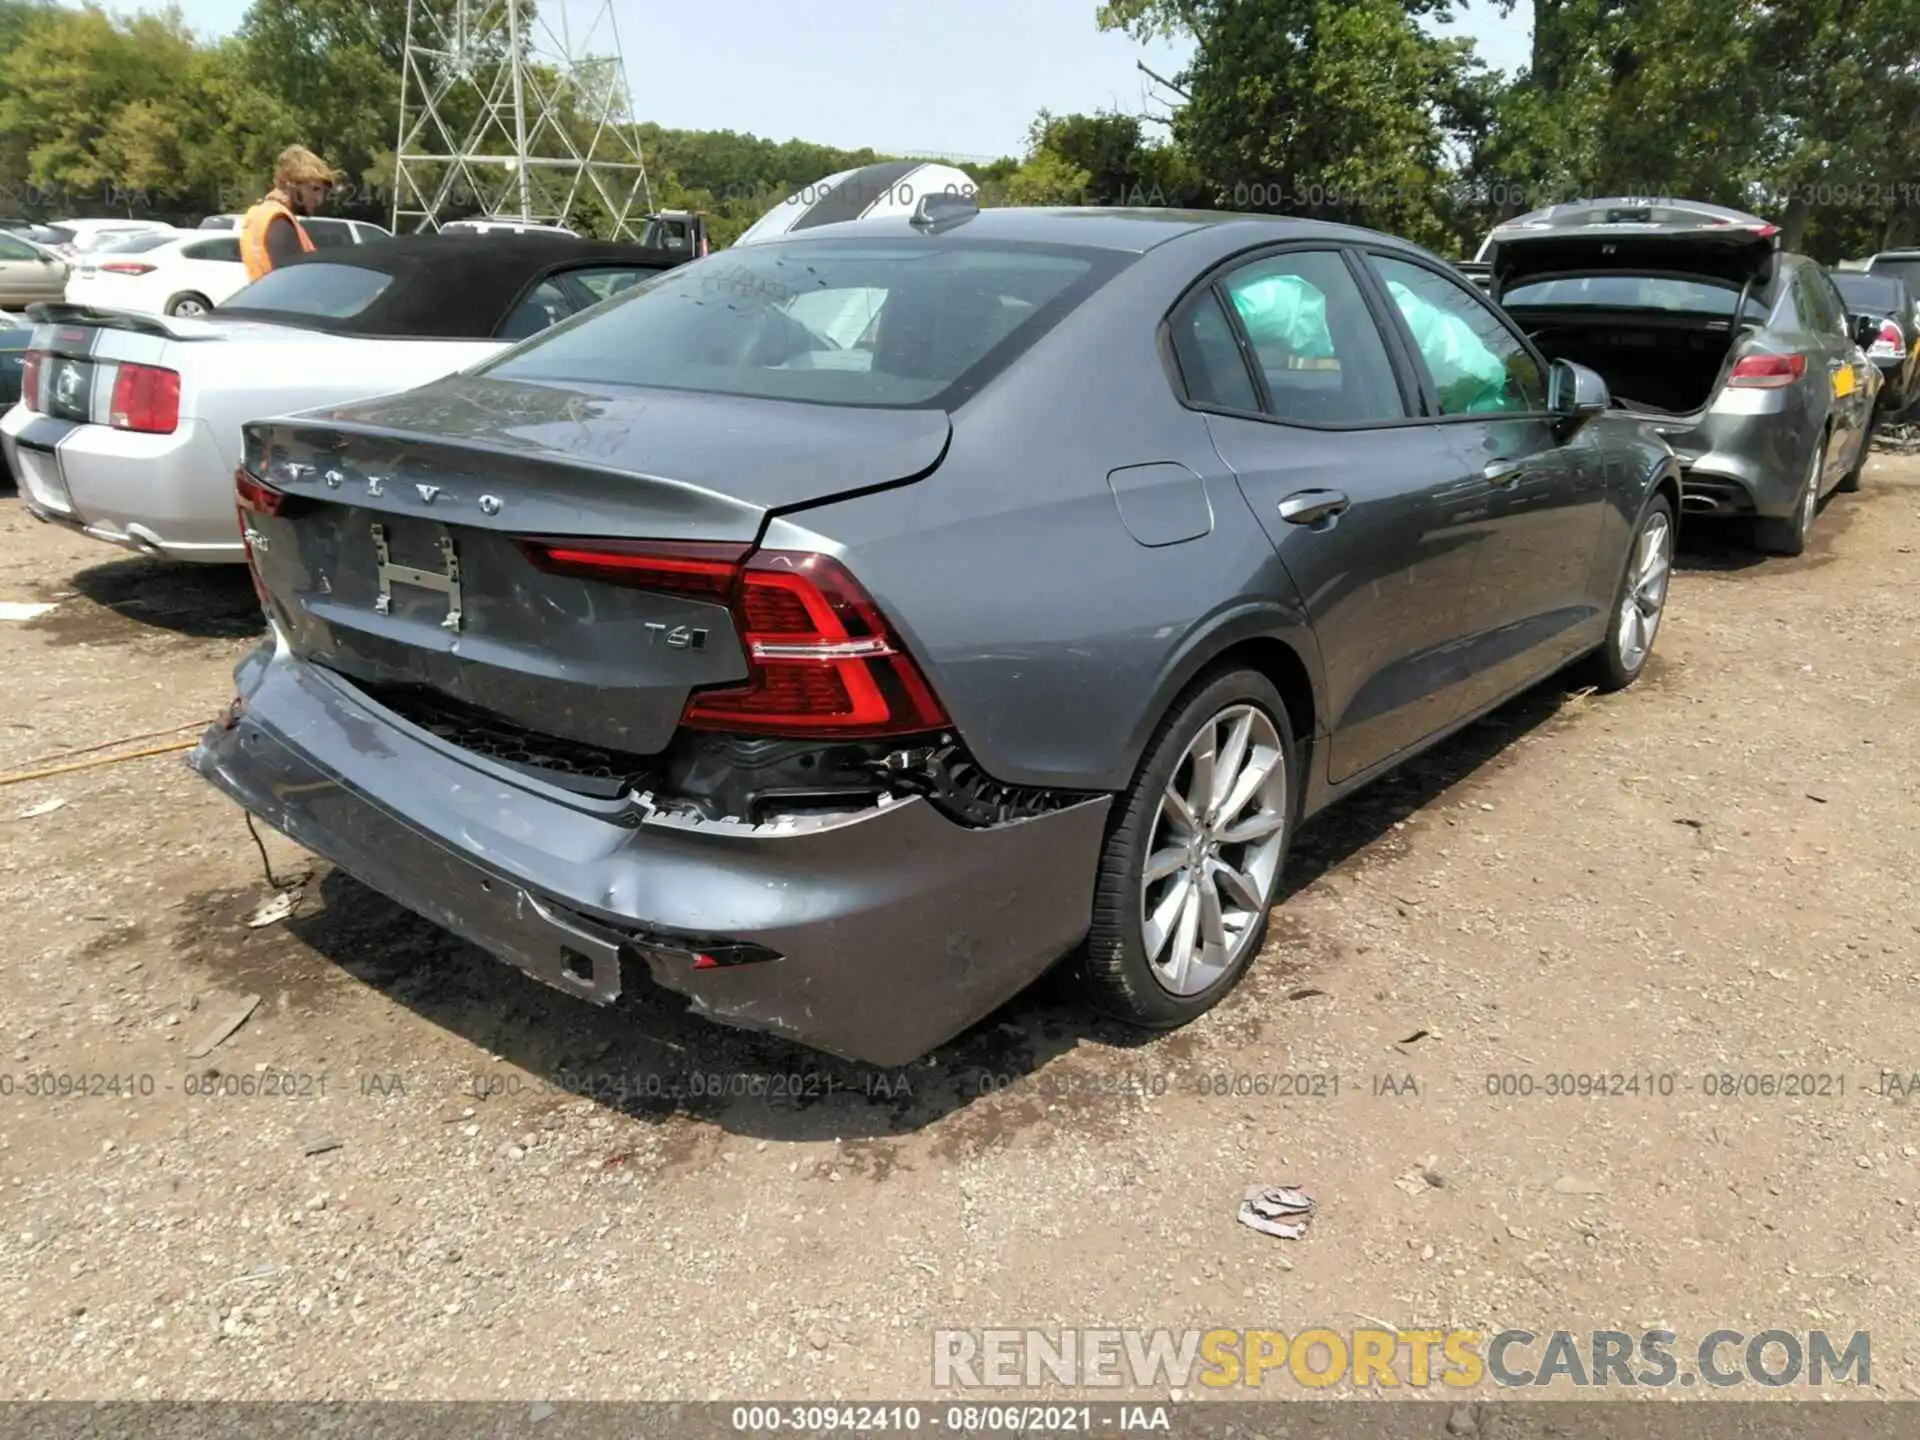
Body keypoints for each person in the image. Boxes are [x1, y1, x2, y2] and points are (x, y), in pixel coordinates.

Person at [239, 146, 341, 281]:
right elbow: (294, 284)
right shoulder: (279, 221)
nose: (319, 199)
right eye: (314, 189)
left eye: (322, 191)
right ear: (290, 184)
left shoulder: (259, 214)